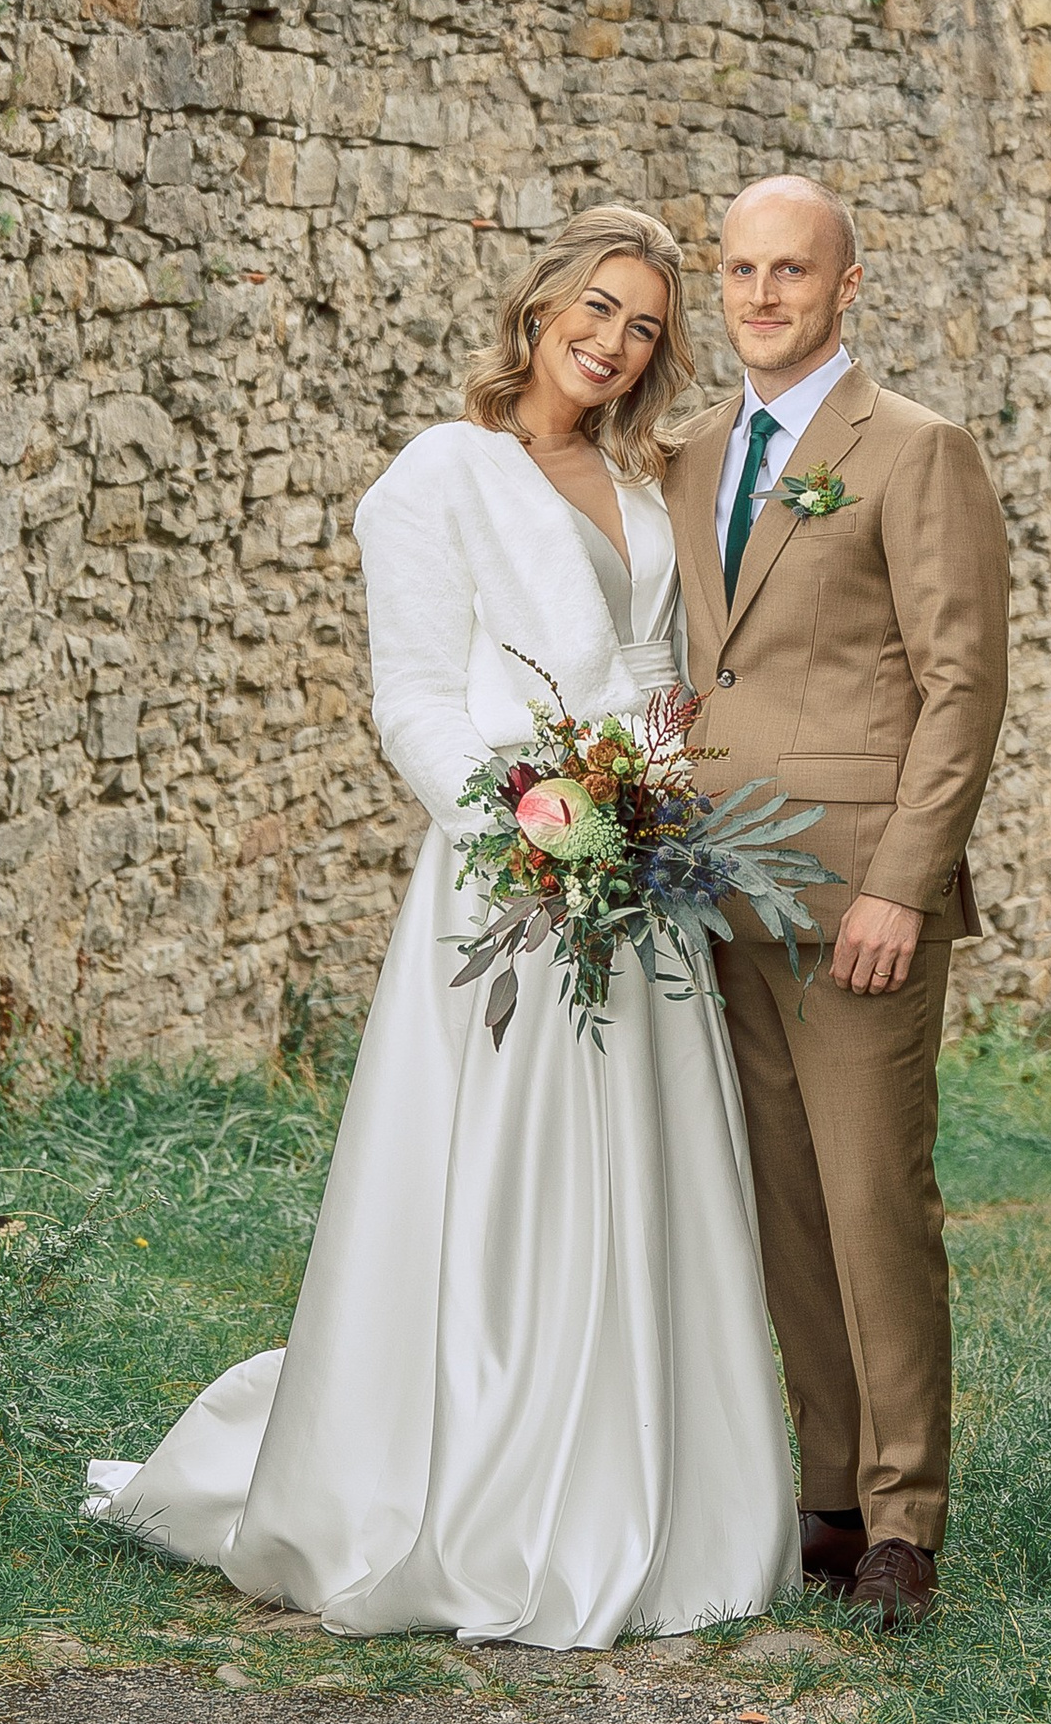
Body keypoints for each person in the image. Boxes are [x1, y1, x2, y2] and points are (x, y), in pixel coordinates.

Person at [85, 206, 800, 1648]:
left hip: (634, 878)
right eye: (594, 307)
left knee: (642, 1173)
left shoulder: (638, 482)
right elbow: (411, 692)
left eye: (646, 325)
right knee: (501, 1176)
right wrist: (526, 824)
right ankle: (470, 1484)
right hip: (509, 878)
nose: (612, 340)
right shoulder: (439, 477)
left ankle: (646, 1485)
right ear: (539, 309)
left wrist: (647, 807)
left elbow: (659, 673)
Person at [666, 177, 1011, 1631]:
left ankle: (906, 1516)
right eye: (740, 269)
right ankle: (826, 1490)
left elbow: (961, 685)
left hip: (857, 894)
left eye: (790, 270)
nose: (761, 294)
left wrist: (900, 884)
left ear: (847, 284)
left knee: (874, 1201)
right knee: (782, 1206)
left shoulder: (917, 451)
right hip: (714, 885)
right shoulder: (686, 458)